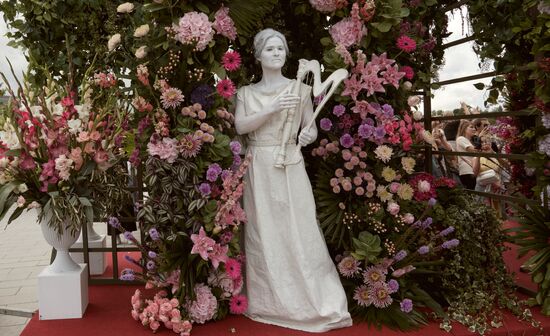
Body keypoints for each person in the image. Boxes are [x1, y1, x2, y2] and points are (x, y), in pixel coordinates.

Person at [234, 28, 352, 332]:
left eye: (280, 49)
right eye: (270, 49)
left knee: (299, 227)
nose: (276, 53)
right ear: (258, 55)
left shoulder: (300, 90)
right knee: (264, 232)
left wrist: (307, 134)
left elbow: (309, 129)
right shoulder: (246, 93)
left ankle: (310, 298)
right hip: (259, 165)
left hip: (290, 162)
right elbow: (241, 126)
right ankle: (267, 300)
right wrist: (271, 108)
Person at [455, 120, 478, 189]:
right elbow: (474, 150)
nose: (474, 129)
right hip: (467, 170)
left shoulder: (470, 141)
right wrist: (479, 136)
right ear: (464, 129)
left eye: (474, 127)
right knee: (472, 192)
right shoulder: (461, 138)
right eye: (471, 127)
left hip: (472, 169)